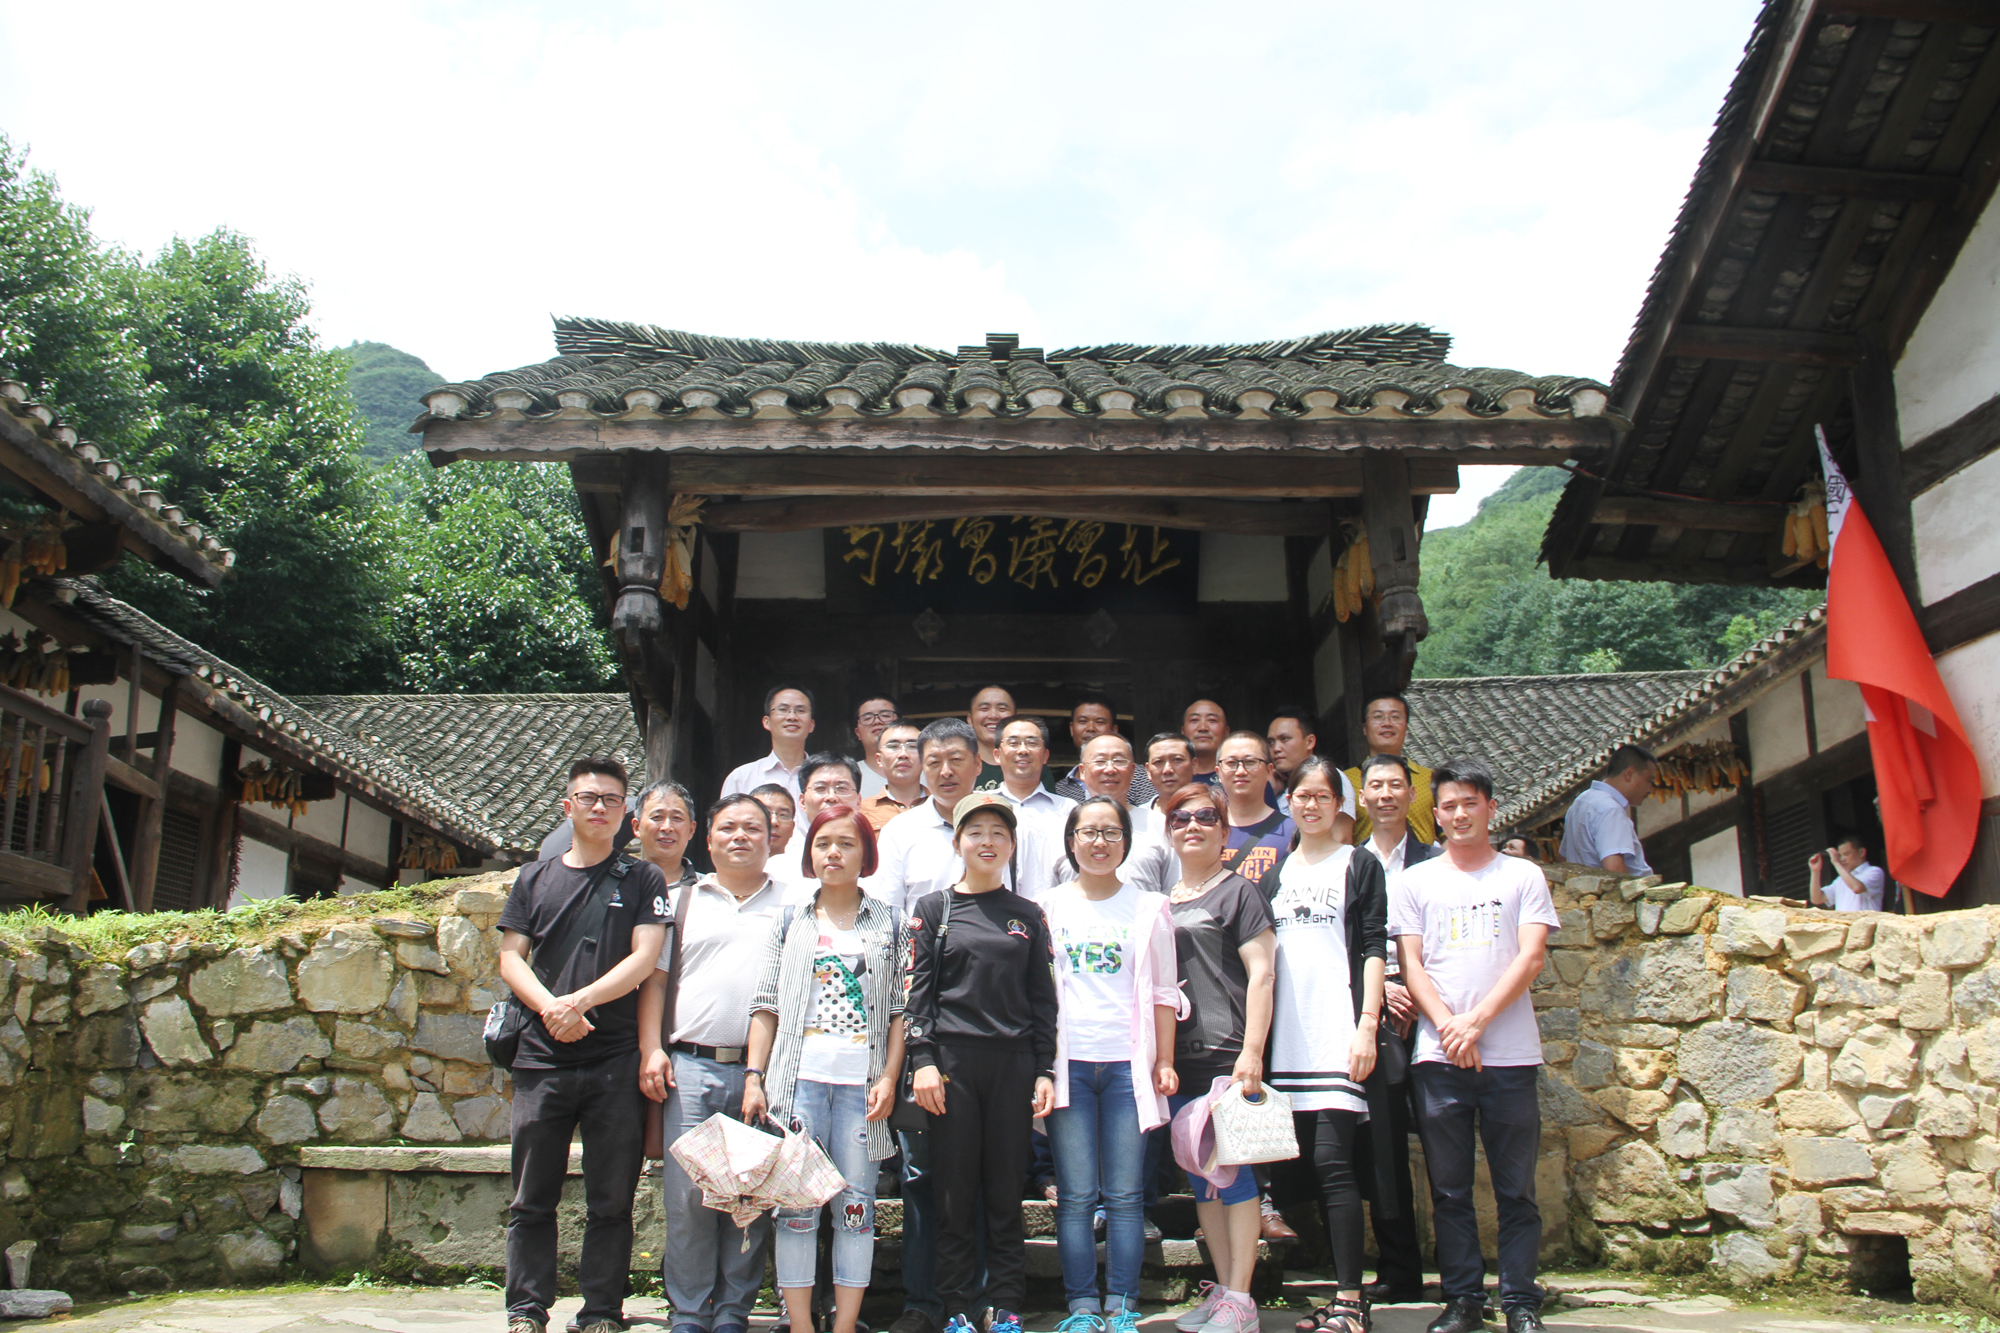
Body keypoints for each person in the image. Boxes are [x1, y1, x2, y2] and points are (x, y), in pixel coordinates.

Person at [498, 759, 670, 1333]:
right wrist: (552, 1009)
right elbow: (510, 958)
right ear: (567, 806)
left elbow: (645, 958)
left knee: (611, 1198)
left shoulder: (643, 879)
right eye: (590, 798)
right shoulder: (533, 879)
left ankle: (600, 1311)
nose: (600, 808)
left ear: (627, 815)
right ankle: (526, 1309)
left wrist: (580, 1002)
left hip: (614, 1056)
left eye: (612, 800)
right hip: (540, 1057)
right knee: (531, 1194)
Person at [1391, 759, 1560, 1333]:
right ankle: (1462, 1298)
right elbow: (1411, 965)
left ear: (1490, 807)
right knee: (1449, 1188)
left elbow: (1530, 957)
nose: (1460, 814)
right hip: (1438, 1060)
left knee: (1517, 1189)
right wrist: (1448, 1027)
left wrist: (1477, 1022)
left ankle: (1520, 1302)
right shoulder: (1415, 882)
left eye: (1470, 803)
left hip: (1510, 1056)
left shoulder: (1522, 876)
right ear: (1435, 815)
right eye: (1449, 806)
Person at [743, 805, 908, 1333]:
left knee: (856, 1208)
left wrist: (889, 1077)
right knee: (796, 1208)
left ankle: (844, 1326)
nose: (833, 853)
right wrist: (754, 1076)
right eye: (823, 843)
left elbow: (901, 1012)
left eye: (846, 843)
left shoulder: (891, 922)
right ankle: (800, 1325)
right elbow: (766, 1003)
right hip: (798, 1084)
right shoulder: (790, 920)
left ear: (866, 854)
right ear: (809, 853)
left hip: (863, 1087)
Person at [907, 793, 1060, 1333]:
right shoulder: (934, 909)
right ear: (957, 843)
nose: (987, 841)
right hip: (952, 1065)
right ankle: (957, 1307)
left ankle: (1006, 1304)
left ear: (1012, 845)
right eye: (975, 832)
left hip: (1013, 1064)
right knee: (953, 1191)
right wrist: (922, 1060)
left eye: (999, 832)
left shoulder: (1028, 914)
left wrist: (1044, 1068)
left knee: (1004, 1191)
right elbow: (917, 996)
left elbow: (1043, 999)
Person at [638, 795, 786, 1333]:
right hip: (691, 1065)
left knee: (750, 1196)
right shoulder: (682, 900)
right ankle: (690, 1311)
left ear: (772, 839)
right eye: (728, 828)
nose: (739, 836)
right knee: (688, 1198)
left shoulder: (793, 904)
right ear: (709, 839)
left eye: (752, 828)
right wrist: (651, 1048)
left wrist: (762, 1072)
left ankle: (732, 1312)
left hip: (762, 1073)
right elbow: (655, 981)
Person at [1043, 796, 1180, 1333]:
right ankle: (1082, 1306)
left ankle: (1122, 1306)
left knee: (1125, 1195)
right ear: (1071, 842)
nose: (1099, 842)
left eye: (1111, 832)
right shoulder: (1046, 907)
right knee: (1076, 1195)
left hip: (1128, 1067)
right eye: (1088, 832)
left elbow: (1164, 991)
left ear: (1126, 841)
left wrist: (1164, 1059)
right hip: (1068, 1066)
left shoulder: (1149, 907)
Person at [1261, 759, 1387, 1333]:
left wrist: (1367, 1024)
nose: (1310, 805)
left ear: (1340, 805)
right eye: (1301, 796)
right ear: (1288, 803)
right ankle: (1333, 1298)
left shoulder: (1358, 864)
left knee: (1334, 1165)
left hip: (1337, 1032)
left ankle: (1350, 1301)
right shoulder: (1275, 874)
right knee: (1303, 1171)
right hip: (1286, 1043)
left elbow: (1372, 945)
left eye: (1321, 796)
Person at [1160, 782, 1276, 1333]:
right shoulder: (1164, 899)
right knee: (1201, 1176)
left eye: (1206, 817)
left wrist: (1252, 1052)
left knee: (1237, 1176)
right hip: (1178, 1061)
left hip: (1227, 1055)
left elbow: (1263, 974)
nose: (1193, 826)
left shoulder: (1239, 893)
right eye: (1181, 818)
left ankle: (1243, 1298)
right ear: (1169, 832)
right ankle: (1225, 1289)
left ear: (1225, 831)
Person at [1353, 754, 1438, 1305]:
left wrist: (1414, 987)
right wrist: (1383, 986)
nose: (1385, 795)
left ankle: (1461, 1266)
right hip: (1375, 1012)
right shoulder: (1350, 861)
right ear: (1362, 797)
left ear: (1412, 795)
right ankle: (1399, 1265)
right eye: (1376, 786)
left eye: (1395, 786)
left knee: (1443, 1141)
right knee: (1382, 1145)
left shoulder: (1436, 861)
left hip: (1433, 1015)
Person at [994, 714, 1077, 897]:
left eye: (1032, 743)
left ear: (1045, 755)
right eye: (1013, 743)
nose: (1023, 750)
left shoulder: (1068, 809)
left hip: (1053, 910)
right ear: (997, 755)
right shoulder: (981, 805)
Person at [1557, 744, 1657, 876]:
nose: (1650, 790)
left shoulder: (1581, 801)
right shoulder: (1611, 809)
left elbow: (1563, 859)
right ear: (1629, 774)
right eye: (1649, 780)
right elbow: (1614, 868)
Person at [1214, 732, 1295, 888]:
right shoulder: (1205, 829)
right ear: (1218, 773)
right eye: (1231, 763)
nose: (1241, 771)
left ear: (1269, 771)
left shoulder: (1293, 831)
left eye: (1250, 762)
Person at [1267, 708, 1356, 841]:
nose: (1276, 748)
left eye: (1284, 739)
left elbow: (1341, 838)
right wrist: (1269, 793)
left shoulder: (1330, 777)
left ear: (1310, 742)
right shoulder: (1279, 786)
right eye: (1271, 742)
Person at [1053, 699, 1157, 807]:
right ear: (1071, 728)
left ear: (1114, 729)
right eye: (1083, 721)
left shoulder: (1141, 777)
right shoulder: (1059, 790)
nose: (1090, 728)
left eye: (1100, 722)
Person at [722, 686, 818, 797]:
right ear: (766, 722)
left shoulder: (826, 777)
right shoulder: (741, 778)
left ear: (811, 725)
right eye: (783, 709)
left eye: (800, 711)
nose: (792, 717)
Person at [636, 779, 702, 892]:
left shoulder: (711, 890)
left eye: (677, 818)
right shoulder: (619, 886)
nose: (667, 828)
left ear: (691, 829)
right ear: (637, 827)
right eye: (657, 817)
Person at [863, 721, 927, 832]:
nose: (903, 754)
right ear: (879, 759)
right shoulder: (863, 811)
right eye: (893, 746)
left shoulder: (943, 806)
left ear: (924, 756)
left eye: (912, 746)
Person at [755, 783, 811, 902]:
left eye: (783, 815)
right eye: (765, 813)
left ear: (793, 828)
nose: (774, 822)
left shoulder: (805, 876)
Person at [1809, 832, 1887, 912]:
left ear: (1862, 852)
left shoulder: (1874, 871)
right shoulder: (1840, 880)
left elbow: (1857, 888)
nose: (1842, 859)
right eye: (1840, 856)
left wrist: (1836, 863)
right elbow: (1817, 899)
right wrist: (1815, 871)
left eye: (1846, 854)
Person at [967, 685, 1016, 786]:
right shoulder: (958, 767)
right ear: (970, 720)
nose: (993, 715)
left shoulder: (1033, 768)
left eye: (1002, 709)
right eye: (984, 708)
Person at [854, 696, 902, 798]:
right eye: (867, 718)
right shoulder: (849, 774)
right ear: (857, 733)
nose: (877, 721)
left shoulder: (926, 770)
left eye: (885, 715)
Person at [1181, 699, 1227, 782]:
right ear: (1183, 731)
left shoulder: (1238, 775)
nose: (1203, 728)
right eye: (1194, 720)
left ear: (1226, 731)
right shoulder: (1168, 776)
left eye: (1212, 720)